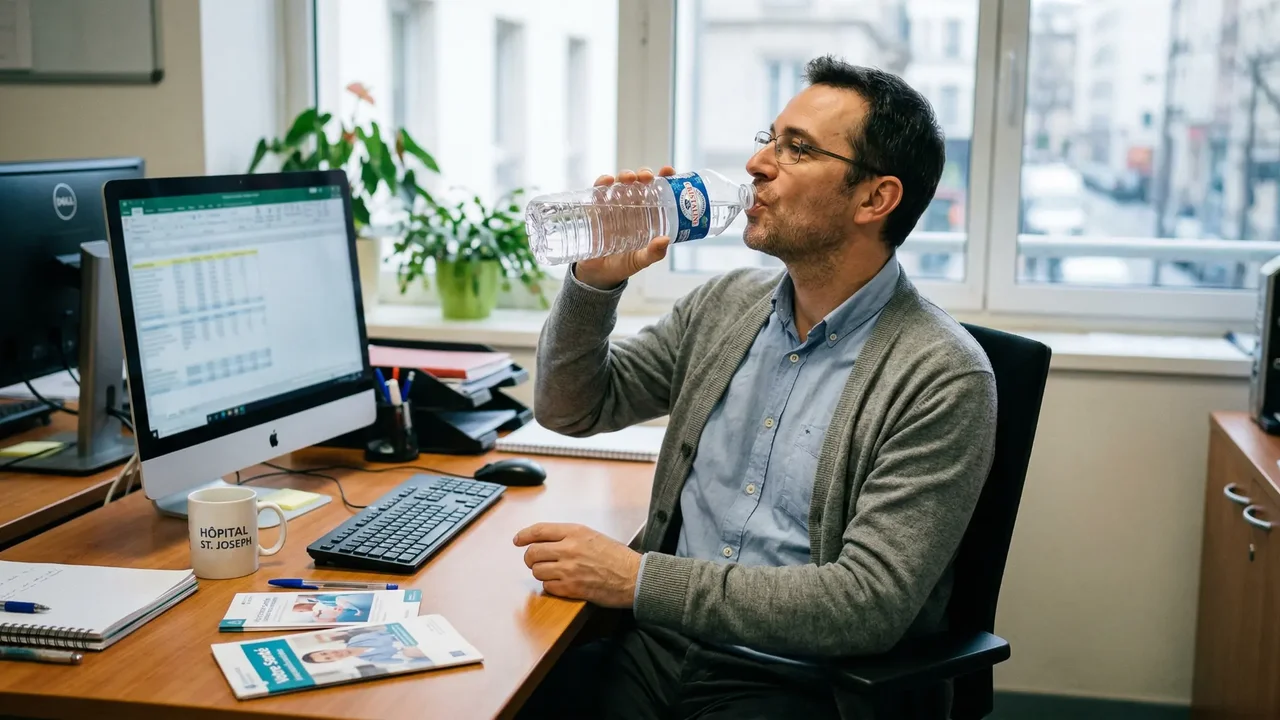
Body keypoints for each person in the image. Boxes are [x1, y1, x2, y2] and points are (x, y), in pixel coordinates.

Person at [513, 55, 998, 720]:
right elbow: (571, 409)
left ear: (874, 199)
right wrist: (595, 283)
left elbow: (866, 605)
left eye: (797, 149)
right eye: (770, 139)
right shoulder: (725, 305)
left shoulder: (941, 374)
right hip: (653, 650)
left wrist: (639, 579)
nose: (757, 164)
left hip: (797, 685)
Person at [300, 627, 430, 666]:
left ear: (326, 649)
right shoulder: (374, 660)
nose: (332, 654)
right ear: (334, 661)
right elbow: (407, 661)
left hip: (419, 633)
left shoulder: (356, 639)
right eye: (328, 658)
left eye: (324, 653)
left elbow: (389, 630)